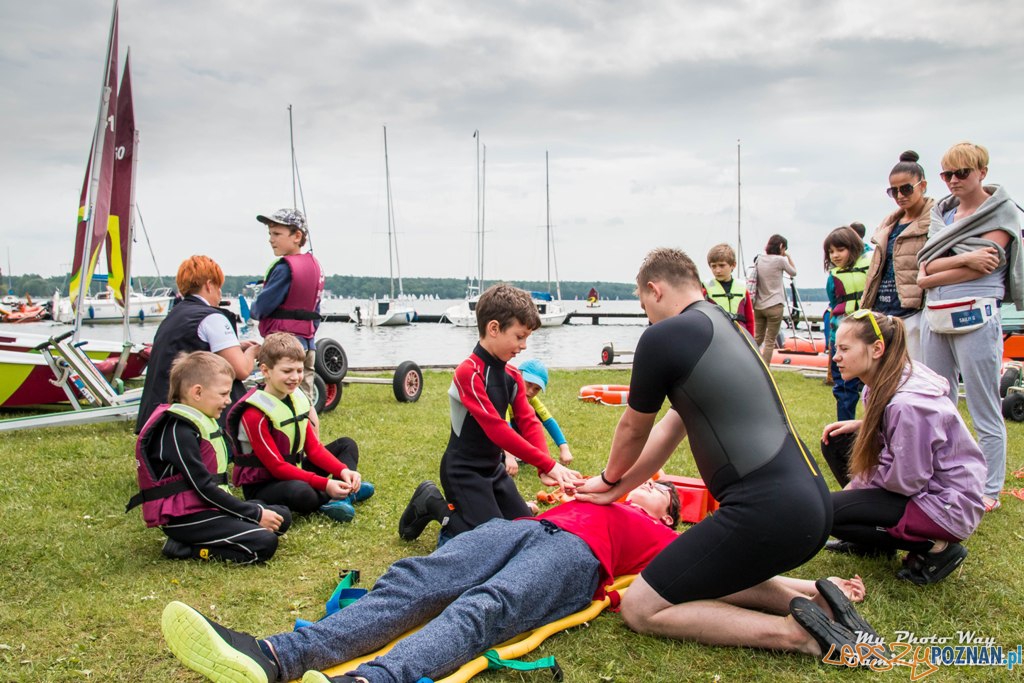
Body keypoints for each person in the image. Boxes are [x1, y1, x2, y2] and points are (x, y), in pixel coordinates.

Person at [160, 480, 871, 682]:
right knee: (415, 579)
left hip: (572, 562)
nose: (651, 485)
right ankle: (279, 654)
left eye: (661, 489)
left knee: (484, 608)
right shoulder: (594, 495)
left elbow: (733, 571)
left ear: (670, 512)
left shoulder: (658, 536)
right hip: (528, 529)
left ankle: (369, 681)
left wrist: (811, 587)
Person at [573, 248, 868, 659]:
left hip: (767, 510)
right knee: (696, 566)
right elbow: (667, 433)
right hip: (808, 504)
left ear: (654, 290)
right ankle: (822, 602)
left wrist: (607, 478)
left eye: (644, 306)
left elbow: (634, 427)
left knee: (641, 607)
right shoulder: (729, 328)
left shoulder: (665, 336)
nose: (647, 318)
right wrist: (615, 489)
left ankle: (798, 635)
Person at [397, 284, 578, 543]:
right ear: (494, 328)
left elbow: (528, 421)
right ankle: (434, 505)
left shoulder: (513, 376)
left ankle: (473, 516)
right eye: (519, 336)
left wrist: (543, 467)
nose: (524, 345)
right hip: (463, 472)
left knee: (527, 531)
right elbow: (496, 429)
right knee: (491, 541)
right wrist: (549, 463)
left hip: (494, 469)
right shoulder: (469, 372)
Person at [821, 310, 986, 585]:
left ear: (876, 349)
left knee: (826, 512)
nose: (836, 357)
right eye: (835, 348)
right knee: (837, 441)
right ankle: (873, 543)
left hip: (945, 505)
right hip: (927, 488)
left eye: (844, 349)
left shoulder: (906, 405)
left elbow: (906, 480)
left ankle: (937, 548)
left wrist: (860, 483)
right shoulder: (883, 381)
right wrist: (864, 425)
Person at [917, 141, 1024, 513]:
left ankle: (990, 487)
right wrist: (953, 263)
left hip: (977, 310)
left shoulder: (1002, 211)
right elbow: (924, 267)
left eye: (962, 172)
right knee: (938, 400)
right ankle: (946, 475)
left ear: (982, 171)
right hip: (938, 311)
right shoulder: (942, 213)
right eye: (947, 174)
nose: (953, 181)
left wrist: (935, 267)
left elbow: (989, 264)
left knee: (983, 403)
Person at [127, 351, 290, 563]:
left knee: (282, 516)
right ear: (197, 392)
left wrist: (255, 512)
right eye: (223, 394)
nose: (228, 400)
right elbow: (203, 487)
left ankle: (235, 526)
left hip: (209, 507)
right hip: (186, 518)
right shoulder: (178, 431)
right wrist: (255, 514)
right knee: (264, 542)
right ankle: (186, 548)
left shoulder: (201, 421)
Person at [226, 333, 369, 523]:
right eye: (287, 371)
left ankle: (343, 491)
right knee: (301, 493)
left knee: (346, 445)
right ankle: (341, 495)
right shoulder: (254, 414)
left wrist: (343, 470)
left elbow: (314, 449)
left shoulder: (296, 398)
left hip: (294, 470)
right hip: (265, 484)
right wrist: (326, 483)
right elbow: (277, 467)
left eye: (299, 370)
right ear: (265, 370)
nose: (295, 377)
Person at [136, 256, 260, 433]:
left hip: (159, 410)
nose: (220, 294)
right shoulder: (212, 317)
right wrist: (252, 352)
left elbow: (191, 347)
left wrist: (234, 346)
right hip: (192, 413)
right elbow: (241, 370)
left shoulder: (174, 315)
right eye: (219, 287)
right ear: (209, 285)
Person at [249, 208, 324, 416]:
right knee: (305, 399)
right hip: (308, 343)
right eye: (270, 234)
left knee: (280, 399)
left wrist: (254, 310)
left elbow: (262, 306)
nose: (271, 240)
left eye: (277, 234)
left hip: (284, 345)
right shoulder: (315, 266)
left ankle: (284, 440)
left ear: (296, 236)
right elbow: (315, 308)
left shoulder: (284, 268)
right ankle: (308, 440)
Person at [860, 151, 934, 362]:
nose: (900, 195)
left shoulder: (936, 221)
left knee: (915, 371)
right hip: (883, 311)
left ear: (923, 185)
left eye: (906, 188)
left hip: (914, 312)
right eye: (894, 191)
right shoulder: (888, 225)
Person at [823, 226, 870, 420]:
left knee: (875, 387)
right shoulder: (833, 278)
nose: (835, 255)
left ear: (853, 248)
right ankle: (843, 432)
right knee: (843, 388)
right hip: (842, 336)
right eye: (831, 251)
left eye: (840, 250)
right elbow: (834, 305)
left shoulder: (871, 266)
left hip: (867, 335)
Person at [503, 358, 573, 476]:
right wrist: (509, 457)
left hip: (513, 432)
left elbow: (550, 422)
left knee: (529, 423)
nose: (530, 391)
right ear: (518, 376)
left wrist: (564, 449)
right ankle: (504, 456)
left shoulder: (533, 401)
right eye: (528, 384)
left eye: (536, 389)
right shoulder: (504, 396)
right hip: (497, 434)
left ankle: (518, 455)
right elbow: (504, 428)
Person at [752, 234, 797, 365]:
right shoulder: (780, 260)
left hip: (759, 305)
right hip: (775, 304)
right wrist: (788, 257)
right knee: (770, 340)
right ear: (781, 246)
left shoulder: (759, 259)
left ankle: (751, 364)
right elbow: (793, 272)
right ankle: (765, 369)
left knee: (757, 339)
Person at [705, 242, 754, 335]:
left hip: (740, 336)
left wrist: (751, 342)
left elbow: (750, 320)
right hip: (717, 336)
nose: (717, 270)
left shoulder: (742, 289)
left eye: (722, 265)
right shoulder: (705, 290)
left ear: (733, 265)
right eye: (713, 266)